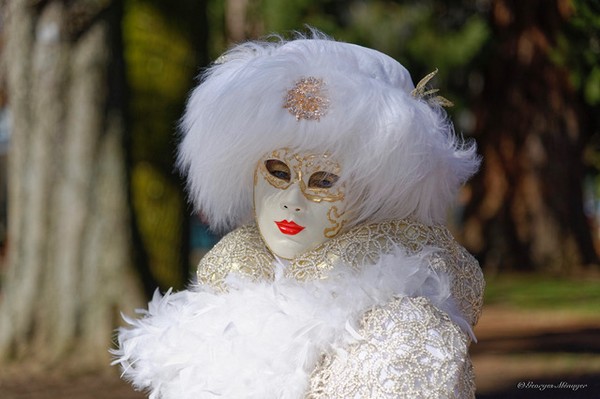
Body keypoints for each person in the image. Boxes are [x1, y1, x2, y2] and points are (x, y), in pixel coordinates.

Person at [113, 31, 484, 399]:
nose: (292, 200)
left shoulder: (403, 330)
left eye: (323, 180)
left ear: (375, 195)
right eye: (277, 171)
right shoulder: (223, 292)